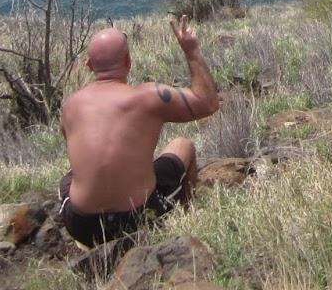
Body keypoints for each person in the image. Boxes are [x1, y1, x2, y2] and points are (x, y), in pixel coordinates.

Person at [57, 15, 222, 248]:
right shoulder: (148, 97)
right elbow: (208, 103)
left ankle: (92, 247)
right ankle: (185, 217)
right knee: (183, 145)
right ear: (128, 60)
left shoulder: (70, 106)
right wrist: (191, 50)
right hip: (136, 219)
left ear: (89, 65)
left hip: (82, 226)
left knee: (69, 178)